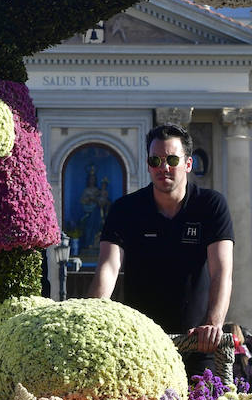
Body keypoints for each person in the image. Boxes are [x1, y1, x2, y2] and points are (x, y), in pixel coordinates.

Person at [89, 123, 233, 375]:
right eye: (155, 160)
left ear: (188, 164)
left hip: (196, 343)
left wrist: (213, 325)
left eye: (172, 159)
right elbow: (109, 267)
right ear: (148, 165)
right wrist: (91, 317)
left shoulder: (211, 205)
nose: (163, 167)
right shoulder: (126, 209)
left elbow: (221, 271)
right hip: (141, 345)